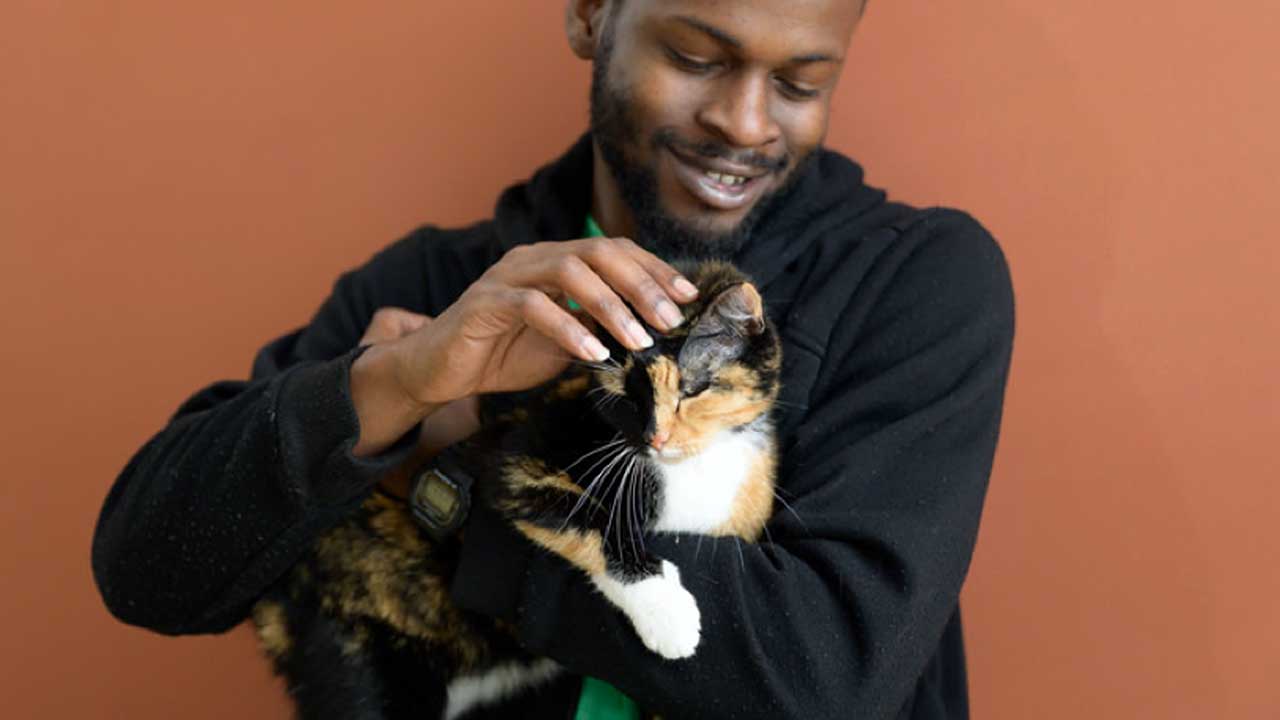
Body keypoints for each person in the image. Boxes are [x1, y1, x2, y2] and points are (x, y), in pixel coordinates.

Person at [91, 1, 1016, 718]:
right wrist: (395, 384)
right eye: (695, 58)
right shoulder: (437, 285)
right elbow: (148, 569)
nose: (745, 123)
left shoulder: (916, 281)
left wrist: (447, 475)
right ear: (589, 15)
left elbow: (825, 678)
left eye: (803, 83)